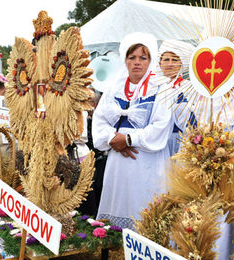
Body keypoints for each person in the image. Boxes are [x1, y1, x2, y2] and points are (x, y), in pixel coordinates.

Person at [92, 33, 173, 229]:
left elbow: (161, 126)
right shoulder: (114, 89)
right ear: (125, 60)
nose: (137, 62)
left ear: (151, 60)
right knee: (118, 207)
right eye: (132, 57)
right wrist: (114, 140)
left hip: (147, 161)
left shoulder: (161, 89)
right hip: (118, 162)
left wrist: (128, 139)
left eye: (143, 58)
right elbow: (99, 121)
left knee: (145, 211)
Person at [158, 40, 196, 155]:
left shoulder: (190, 88)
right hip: (156, 142)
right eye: (166, 60)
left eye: (174, 60)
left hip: (182, 143)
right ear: (160, 63)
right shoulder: (153, 88)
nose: (170, 64)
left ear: (181, 63)